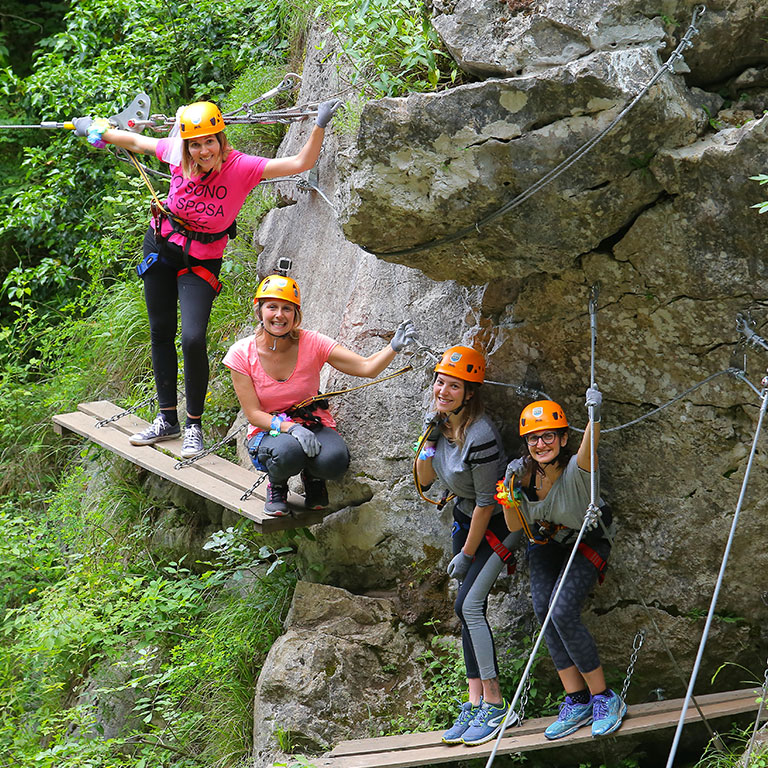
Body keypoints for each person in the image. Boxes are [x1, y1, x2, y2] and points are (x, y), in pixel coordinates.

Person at [72, 98, 342, 458]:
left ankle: (194, 425)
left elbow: (299, 163)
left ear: (221, 139)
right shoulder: (176, 155)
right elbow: (137, 142)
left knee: (193, 337)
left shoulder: (242, 167)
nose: (202, 151)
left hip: (201, 260)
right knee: (161, 330)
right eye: (195, 144)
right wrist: (100, 130)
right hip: (161, 247)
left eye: (209, 141)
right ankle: (167, 419)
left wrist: (320, 123)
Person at [223, 274, 416, 515]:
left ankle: (313, 478)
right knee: (287, 452)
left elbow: (366, 368)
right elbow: (253, 414)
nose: (279, 315)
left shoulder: (313, 343)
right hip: (269, 430)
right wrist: (290, 428)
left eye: (287, 308)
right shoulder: (241, 353)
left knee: (334, 462)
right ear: (260, 310)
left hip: (312, 423)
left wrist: (393, 348)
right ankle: (278, 485)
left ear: (296, 315)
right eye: (272, 307)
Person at [498, 392, 625, 740]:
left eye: (548, 435)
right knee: (543, 609)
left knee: (563, 610)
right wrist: (510, 491)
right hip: (545, 543)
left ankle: (604, 697)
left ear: (563, 437)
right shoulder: (523, 478)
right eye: (533, 438)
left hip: (588, 540)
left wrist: (594, 415)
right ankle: (577, 698)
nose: (541, 444)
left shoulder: (578, 468)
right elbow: (512, 527)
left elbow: (591, 442)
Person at [415, 346, 522, 747]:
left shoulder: (481, 437)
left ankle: (496, 705)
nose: (443, 390)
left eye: (453, 386)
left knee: (470, 606)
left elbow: (486, 502)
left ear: (469, 393)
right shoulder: (439, 427)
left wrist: (467, 553)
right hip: (465, 519)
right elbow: (425, 481)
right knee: (464, 609)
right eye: (440, 382)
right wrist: (427, 437)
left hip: (499, 524)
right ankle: (475, 700)